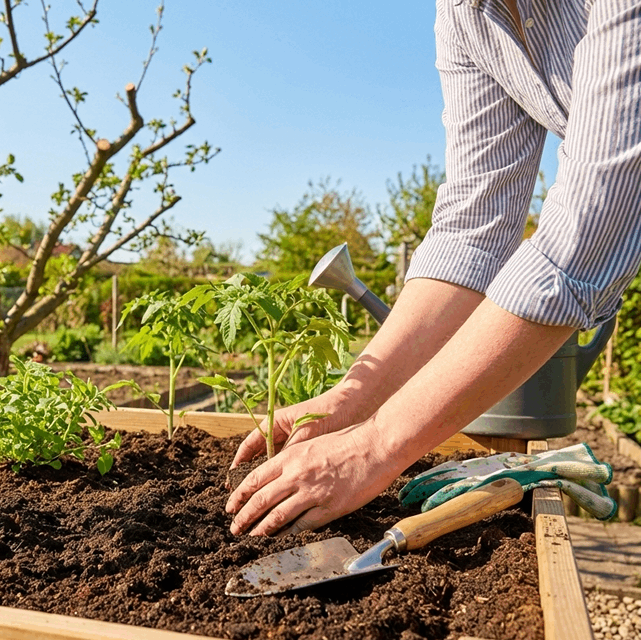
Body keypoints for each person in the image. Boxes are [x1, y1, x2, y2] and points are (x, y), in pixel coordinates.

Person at [226, 0, 641, 537]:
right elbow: (473, 224)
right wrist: (351, 402)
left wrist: (376, 446)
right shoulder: (465, 15)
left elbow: (593, 224)